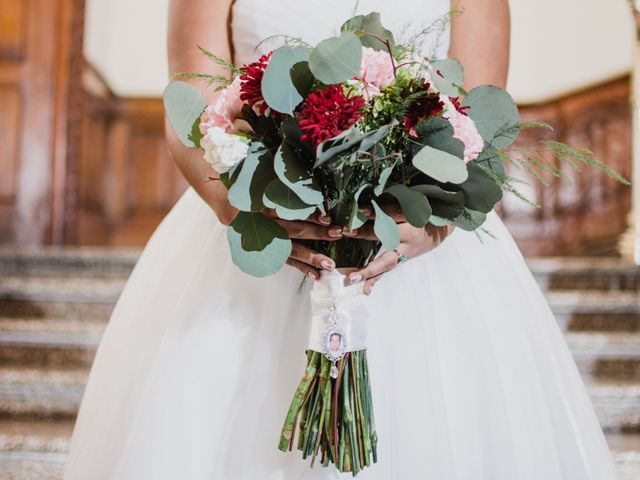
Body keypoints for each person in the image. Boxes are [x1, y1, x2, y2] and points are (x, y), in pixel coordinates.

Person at [64, 0, 619, 478]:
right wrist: (241, 208)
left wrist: (434, 222)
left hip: (419, 255)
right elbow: (188, 94)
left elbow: (481, 117)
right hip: (257, 225)